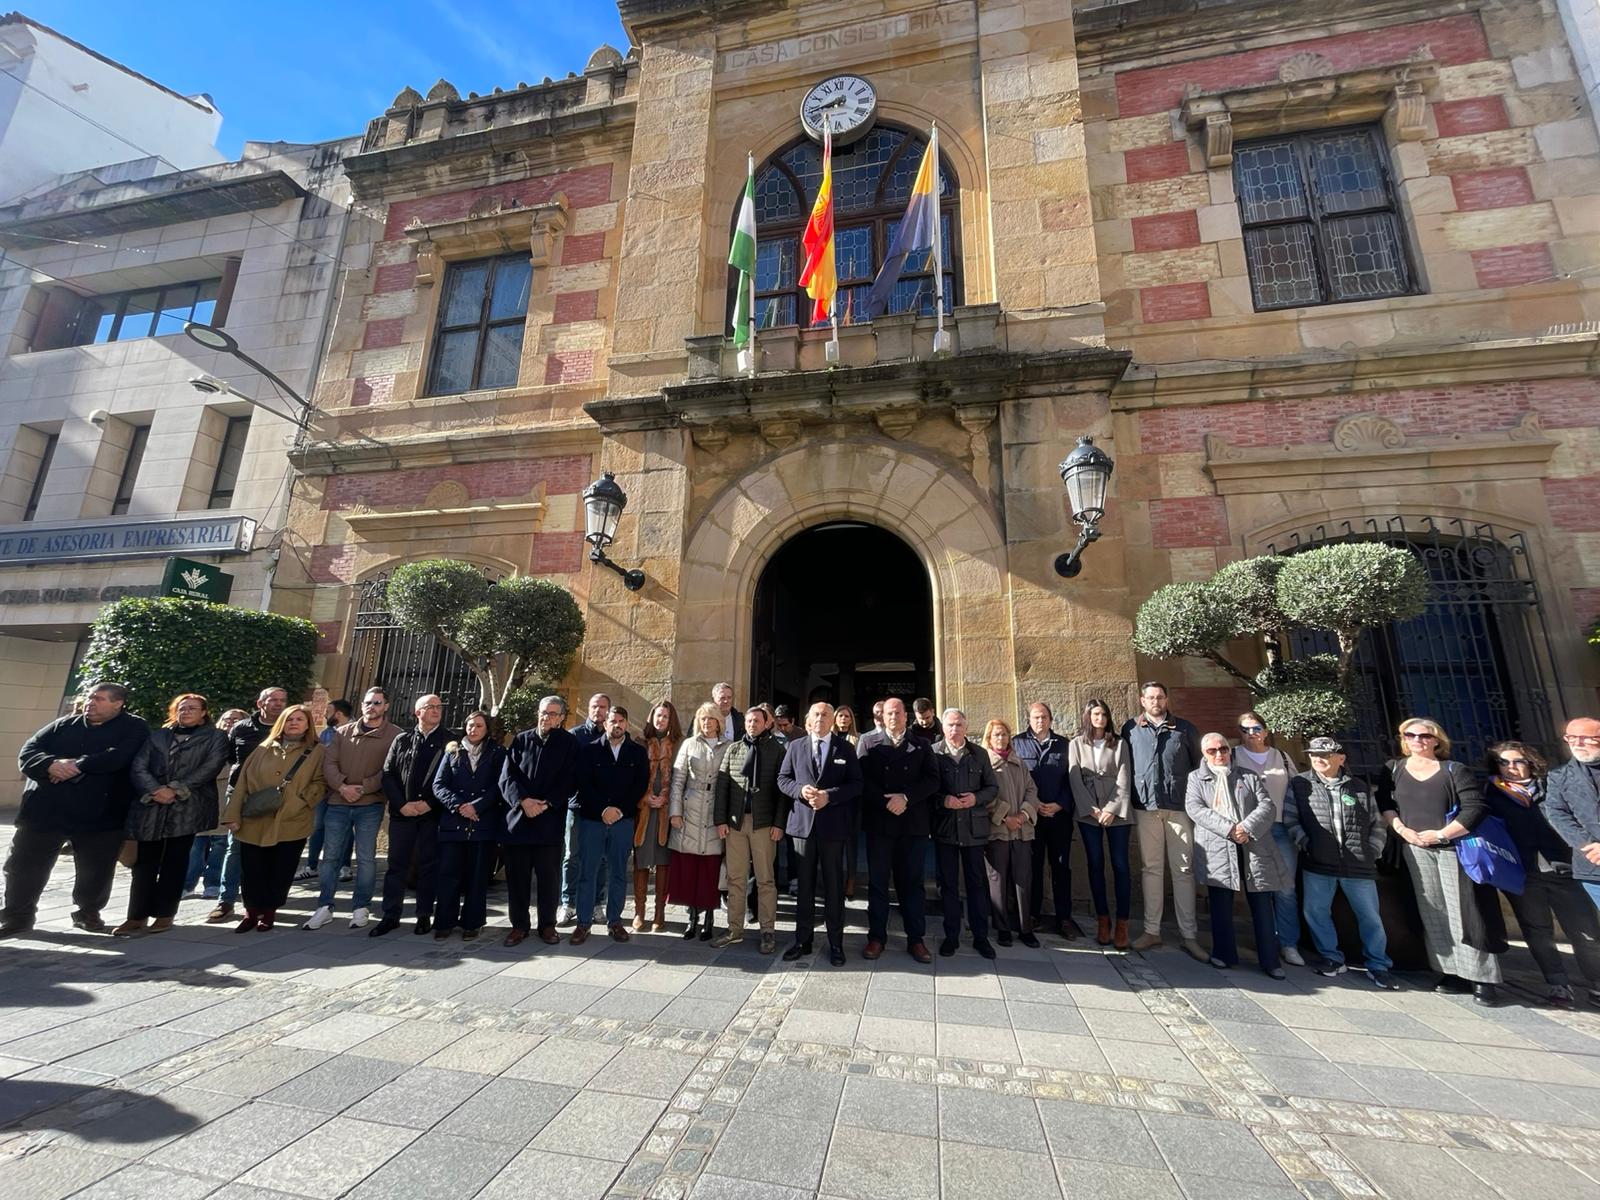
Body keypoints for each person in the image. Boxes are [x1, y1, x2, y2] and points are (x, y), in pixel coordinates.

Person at [1, 682, 149, 938]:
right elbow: (29, 751)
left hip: (101, 814)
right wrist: (50, 765)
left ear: (118, 703)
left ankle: (87, 913)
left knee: (96, 868)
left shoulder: (134, 727)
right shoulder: (63, 724)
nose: (90, 703)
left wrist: (79, 765)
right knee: (23, 866)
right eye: (90, 697)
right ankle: (17, 916)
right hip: (44, 811)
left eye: (99, 699)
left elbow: (121, 755)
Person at [1378, 717, 1506, 1006]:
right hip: (1414, 847)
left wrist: (1441, 834)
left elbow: (1475, 807)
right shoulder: (1394, 768)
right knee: (1432, 909)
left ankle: (1481, 976)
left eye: (1425, 736)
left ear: (1437, 740)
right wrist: (1402, 830)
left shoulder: (1453, 769)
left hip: (1453, 847)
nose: (1417, 740)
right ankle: (1451, 971)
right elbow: (1385, 802)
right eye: (1410, 735)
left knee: (1465, 911)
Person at [1484, 739, 1600, 1007]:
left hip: (1564, 868)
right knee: (1537, 930)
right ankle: (1557, 983)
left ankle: (1596, 982)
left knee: (1587, 932)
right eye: (1504, 762)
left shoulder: (1552, 786)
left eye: (1518, 761)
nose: (1511, 767)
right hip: (1523, 872)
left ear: (1530, 762)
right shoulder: (1491, 794)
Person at [1283, 737, 1397, 989]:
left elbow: (1377, 823)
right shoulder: (1300, 784)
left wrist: (1373, 851)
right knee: (1315, 911)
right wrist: (1307, 844)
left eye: (1325, 755)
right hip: (1319, 861)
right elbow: (1290, 818)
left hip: (1358, 864)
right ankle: (1331, 957)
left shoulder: (1358, 787)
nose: (1318, 759)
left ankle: (1378, 964)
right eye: (1314, 755)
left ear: (1341, 758)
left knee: (1369, 916)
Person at [118, 694, 230, 936]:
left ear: (203, 712)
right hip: (152, 805)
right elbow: (139, 765)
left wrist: (175, 789)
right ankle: (136, 916)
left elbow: (210, 767)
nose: (186, 712)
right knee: (144, 864)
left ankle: (164, 914)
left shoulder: (216, 736)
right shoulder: (159, 735)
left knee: (175, 862)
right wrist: (155, 789)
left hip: (187, 806)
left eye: (192, 708)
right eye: (182, 708)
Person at [1185, 734, 1285, 979]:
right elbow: (1195, 808)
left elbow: (1267, 805)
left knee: (1261, 903)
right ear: (1204, 754)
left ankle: (1270, 960)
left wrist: (1246, 828)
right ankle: (1224, 953)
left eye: (1223, 749)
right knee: (1220, 902)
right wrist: (1229, 829)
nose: (1219, 754)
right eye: (1212, 751)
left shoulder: (1248, 776)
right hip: (1218, 845)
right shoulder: (1196, 778)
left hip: (1253, 845)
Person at [220, 703, 326, 931]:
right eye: (289, 719)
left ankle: (269, 911)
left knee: (281, 868)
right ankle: (250, 911)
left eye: (299, 719)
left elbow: (320, 782)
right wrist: (232, 814)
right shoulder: (263, 748)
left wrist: (301, 800)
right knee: (252, 868)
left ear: (308, 724)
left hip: (292, 819)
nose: (294, 723)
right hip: (256, 818)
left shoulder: (318, 751)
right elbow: (242, 783)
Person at [1122, 682, 1205, 961]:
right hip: (1146, 807)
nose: (1155, 701)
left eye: (1160, 697)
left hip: (1179, 807)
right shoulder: (1131, 729)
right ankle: (1151, 930)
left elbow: (1198, 767)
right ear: (1142, 701)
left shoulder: (1185, 729)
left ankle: (1189, 934)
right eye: (1150, 697)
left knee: (1183, 869)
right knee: (1151, 869)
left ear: (1166, 700)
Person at [307, 687, 401, 930]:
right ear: (361, 706)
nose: (372, 707)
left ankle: (361, 907)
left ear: (386, 706)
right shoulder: (341, 732)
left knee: (366, 857)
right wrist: (342, 787)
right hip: (338, 802)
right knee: (330, 856)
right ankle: (324, 906)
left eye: (377, 703)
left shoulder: (396, 735)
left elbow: (390, 769)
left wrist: (363, 788)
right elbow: (329, 763)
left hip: (370, 804)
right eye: (368, 702)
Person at [857, 697, 940, 962]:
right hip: (880, 822)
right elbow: (860, 780)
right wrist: (886, 801)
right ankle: (876, 937)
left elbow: (933, 780)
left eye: (897, 713)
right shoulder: (868, 742)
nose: (893, 717)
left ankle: (916, 939)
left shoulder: (922, 744)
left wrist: (905, 798)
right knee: (878, 883)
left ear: (906, 716)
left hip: (912, 824)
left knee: (912, 884)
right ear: (882, 717)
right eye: (888, 713)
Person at [779, 701, 862, 965]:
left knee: (834, 886)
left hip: (833, 827)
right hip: (802, 827)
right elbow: (783, 779)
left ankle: (836, 942)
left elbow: (856, 784)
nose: (820, 718)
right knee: (804, 887)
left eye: (825, 714)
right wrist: (800, 790)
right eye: (816, 714)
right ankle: (802, 940)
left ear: (832, 719)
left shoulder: (845, 748)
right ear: (808, 719)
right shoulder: (796, 747)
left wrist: (830, 796)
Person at [499, 695, 580, 946]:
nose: (547, 718)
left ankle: (547, 925)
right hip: (519, 821)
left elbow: (571, 779)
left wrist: (545, 804)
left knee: (548, 878)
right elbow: (507, 777)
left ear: (561, 718)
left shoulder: (569, 743)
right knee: (517, 878)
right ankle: (519, 926)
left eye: (553, 714)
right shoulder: (522, 739)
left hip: (549, 820)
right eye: (544, 712)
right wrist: (523, 801)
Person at [371, 694, 454, 937]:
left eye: (439, 707)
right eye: (431, 707)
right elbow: (388, 774)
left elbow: (452, 778)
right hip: (402, 814)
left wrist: (430, 804)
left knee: (429, 865)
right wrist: (401, 804)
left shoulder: (450, 740)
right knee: (397, 865)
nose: (436, 710)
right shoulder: (402, 739)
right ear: (418, 712)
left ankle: (424, 914)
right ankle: (391, 915)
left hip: (431, 815)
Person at [572, 707, 651, 944]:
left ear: (626, 724)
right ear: (604, 723)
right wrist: (603, 810)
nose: (617, 725)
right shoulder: (589, 750)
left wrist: (619, 810)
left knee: (618, 873)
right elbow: (583, 784)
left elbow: (640, 784)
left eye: (621, 721)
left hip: (622, 821)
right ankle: (583, 923)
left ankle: (615, 921)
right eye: (612, 721)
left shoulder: (637, 752)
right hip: (593, 820)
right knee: (587, 872)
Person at [716, 705, 790, 953]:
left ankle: (767, 930)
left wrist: (779, 824)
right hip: (736, 823)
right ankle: (734, 929)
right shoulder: (734, 749)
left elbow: (783, 793)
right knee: (735, 878)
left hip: (764, 825)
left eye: (757, 721)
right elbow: (723, 786)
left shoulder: (778, 750)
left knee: (765, 879)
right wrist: (721, 820)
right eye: (748, 721)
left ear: (767, 723)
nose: (752, 725)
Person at [1233, 712, 1304, 966]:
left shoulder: (1282, 757)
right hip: (1250, 829)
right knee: (1260, 887)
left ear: (1265, 731)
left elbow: (1297, 789)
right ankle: (1267, 939)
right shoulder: (1233, 755)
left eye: (1256, 728)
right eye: (1245, 729)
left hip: (1281, 826)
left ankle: (1288, 943)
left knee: (1286, 888)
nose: (1251, 733)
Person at [215, 685, 288, 922]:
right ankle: (226, 900)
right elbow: (230, 757)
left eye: (282, 700)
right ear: (260, 703)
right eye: (273, 699)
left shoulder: (288, 728)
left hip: (273, 796)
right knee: (234, 847)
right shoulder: (241, 728)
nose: (278, 704)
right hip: (240, 793)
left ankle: (263, 903)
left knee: (270, 848)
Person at [432, 711, 506, 940]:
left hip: (482, 823)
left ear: (487, 729)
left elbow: (500, 785)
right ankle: (444, 922)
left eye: (479, 726)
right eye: (470, 725)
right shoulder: (452, 751)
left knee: (477, 876)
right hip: (454, 823)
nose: (473, 729)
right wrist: (458, 805)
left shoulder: (497, 752)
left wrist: (477, 806)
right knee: (449, 874)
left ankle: (472, 923)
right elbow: (439, 784)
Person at [931, 708, 999, 960]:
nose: (955, 729)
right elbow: (926, 789)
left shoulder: (979, 754)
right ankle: (951, 936)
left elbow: (992, 787)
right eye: (950, 725)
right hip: (946, 828)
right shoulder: (933, 753)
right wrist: (943, 800)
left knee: (977, 884)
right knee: (948, 885)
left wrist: (975, 798)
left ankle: (981, 937)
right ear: (943, 727)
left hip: (974, 829)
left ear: (966, 727)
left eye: (959, 725)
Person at [1068, 699, 1133, 949]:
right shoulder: (1076, 744)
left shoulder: (1119, 743)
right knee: (1095, 863)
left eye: (1104, 714)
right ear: (1088, 716)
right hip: (1089, 812)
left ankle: (1122, 923)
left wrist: (1111, 809)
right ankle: (1103, 920)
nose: (1100, 718)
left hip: (1117, 811)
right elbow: (1075, 778)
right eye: (1096, 714)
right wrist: (1092, 809)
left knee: (1120, 865)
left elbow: (1124, 778)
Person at [1013, 701, 1081, 940]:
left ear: (1051, 719)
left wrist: (1060, 803)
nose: (1039, 721)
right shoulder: (1017, 743)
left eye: (1043, 717)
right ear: (1028, 720)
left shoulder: (1064, 745)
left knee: (1061, 867)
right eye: (1035, 717)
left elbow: (1073, 779)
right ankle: (1031, 915)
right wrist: (1033, 805)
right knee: (1032, 867)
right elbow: (1015, 780)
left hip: (1059, 817)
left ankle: (1064, 918)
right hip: (1030, 817)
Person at [669, 703, 728, 941]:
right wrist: (675, 811)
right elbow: (678, 780)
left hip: (716, 810)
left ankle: (709, 920)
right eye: (702, 719)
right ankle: (692, 918)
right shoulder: (689, 744)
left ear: (718, 722)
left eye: (710, 719)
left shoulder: (728, 746)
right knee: (690, 867)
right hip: (691, 808)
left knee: (710, 869)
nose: (706, 723)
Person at [1546, 717, 1600, 968]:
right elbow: (1557, 814)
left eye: (1586, 738)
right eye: (1571, 738)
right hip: (1592, 864)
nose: (1577, 743)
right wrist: (1588, 845)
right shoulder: (1559, 776)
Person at [983, 718, 1040, 949]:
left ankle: (1025, 928)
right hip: (998, 830)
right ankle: (1002, 928)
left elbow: (1032, 790)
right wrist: (1005, 816)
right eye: (996, 734)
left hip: (1022, 830)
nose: (1001, 738)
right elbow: (984, 794)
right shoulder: (985, 763)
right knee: (997, 880)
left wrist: (1023, 815)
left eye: (1004, 734)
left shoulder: (1019, 762)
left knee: (1023, 878)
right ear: (989, 738)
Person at [185, 707, 249, 900]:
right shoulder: (208, 739)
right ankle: (187, 885)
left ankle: (212, 884)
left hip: (226, 799)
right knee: (195, 845)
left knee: (220, 845)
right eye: (227, 718)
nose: (230, 722)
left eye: (235, 719)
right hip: (201, 799)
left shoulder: (242, 743)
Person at [560, 692, 610, 925]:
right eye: (594, 706)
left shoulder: (613, 736)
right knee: (572, 856)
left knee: (601, 857)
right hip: (577, 805)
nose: (598, 710)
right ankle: (568, 903)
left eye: (602, 707)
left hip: (603, 809)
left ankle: (597, 903)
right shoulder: (575, 735)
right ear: (588, 709)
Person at [635, 701, 680, 932]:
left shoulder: (680, 745)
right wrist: (645, 797)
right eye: (658, 716)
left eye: (665, 716)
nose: (661, 720)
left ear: (671, 720)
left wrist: (667, 798)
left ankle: (659, 913)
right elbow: (632, 776)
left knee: (664, 860)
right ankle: (639, 912)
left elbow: (683, 778)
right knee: (641, 859)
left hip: (667, 810)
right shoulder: (640, 743)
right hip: (643, 810)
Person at [299, 697, 355, 885]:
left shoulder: (356, 731)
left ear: (338, 714)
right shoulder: (326, 734)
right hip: (324, 788)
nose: (324, 715)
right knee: (317, 826)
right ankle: (311, 866)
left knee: (346, 829)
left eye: (328, 711)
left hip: (345, 788)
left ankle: (344, 866)